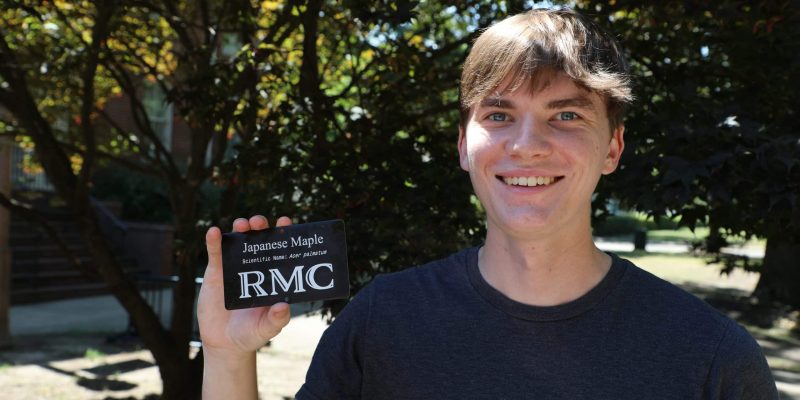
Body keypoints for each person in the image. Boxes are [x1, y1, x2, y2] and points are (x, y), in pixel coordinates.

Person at [198, 7, 779, 399]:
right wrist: (227, 355)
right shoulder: (380, 324)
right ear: (463, 145)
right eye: (499, 115)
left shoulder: (714, 360)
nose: (527, 146)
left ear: (613, 147)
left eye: (567, 115)